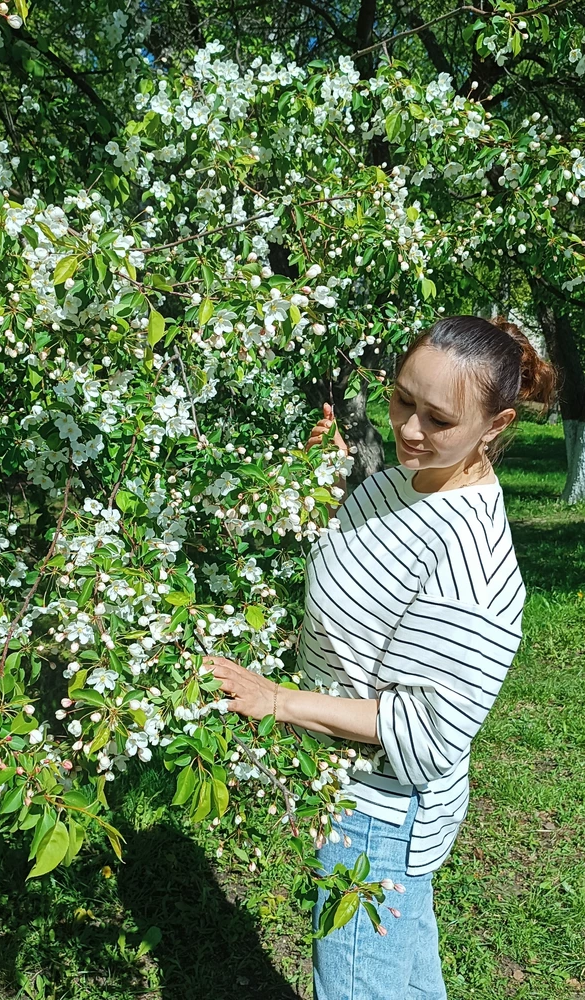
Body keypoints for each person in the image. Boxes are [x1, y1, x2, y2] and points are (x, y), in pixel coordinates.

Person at [202, 315, 556, 1000]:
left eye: (437, 418)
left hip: (381, 815)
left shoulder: (471, 568)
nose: (409, 430)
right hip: (346, 794)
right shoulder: (400, 484)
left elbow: (425, 735)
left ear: (494, 423)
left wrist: (277, 700)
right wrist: (320, 480)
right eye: (401, 400)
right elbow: (359, 565)